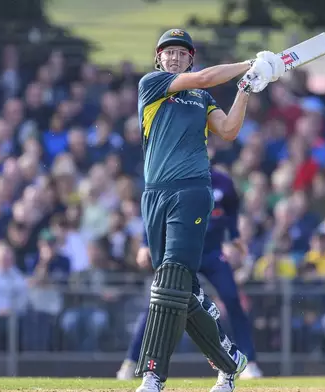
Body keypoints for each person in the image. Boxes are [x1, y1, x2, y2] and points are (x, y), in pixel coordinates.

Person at [134, 29, 283, 392]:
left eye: (181, 53)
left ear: (190, 57)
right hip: (155, 194)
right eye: (167, 52)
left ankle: (154, 375)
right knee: (178, 291)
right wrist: (251, 63)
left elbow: (229, 130)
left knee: (170, 282)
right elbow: (202, 77)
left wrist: (246, 88)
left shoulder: (201, 98)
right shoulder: (152, 84)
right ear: (159, 59)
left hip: (193, 191)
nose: (173, 57)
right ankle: (230, 363)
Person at [117, 167, 262, 381]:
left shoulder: (221, 180)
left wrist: (234, 236)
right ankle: (131, 360)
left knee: (232, 298)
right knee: (157, 303)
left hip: (212, 252)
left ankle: (249, 360)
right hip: (180, 251)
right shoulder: (173, 173)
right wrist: (146, 243)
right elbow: (154, 209)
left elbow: (232, 207)